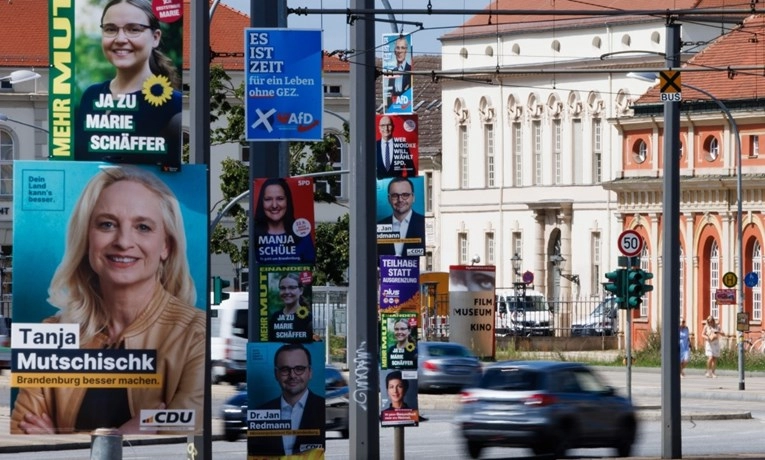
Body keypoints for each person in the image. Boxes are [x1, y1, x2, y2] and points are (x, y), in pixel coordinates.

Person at [11, 165, 205, 434]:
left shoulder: (196, 334)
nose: (124, 241)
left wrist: (58, 442)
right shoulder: (49, 335)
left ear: (166, 246)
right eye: (107, 224)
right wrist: (123, 434)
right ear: (87, 238)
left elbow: (180, 439)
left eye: (143, 227)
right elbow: (24, 441)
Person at [74, 0, 182, 167]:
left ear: (155, 38)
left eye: (133, 29)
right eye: (111, 29)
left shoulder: (173, 105)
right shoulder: (90, 96)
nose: (120, 39)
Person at [249, 343, 325, 456]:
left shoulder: (323, 408)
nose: (292, 375)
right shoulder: (259, 413)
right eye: (285, 369)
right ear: (276, 374)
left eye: (299, 369)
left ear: (310, 372)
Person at [254, 178, 316, 263]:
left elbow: (309, 270)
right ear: (262, 203)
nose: (274, 205)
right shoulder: (254, 235)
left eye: (280, 198)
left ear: (288, 201)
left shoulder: (302, 236)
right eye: (268, 199)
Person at [377, 177, 425, 257]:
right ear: (389, 199)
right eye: (395, 195)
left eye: (405, 195)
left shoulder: (423, 223)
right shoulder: (379, 225)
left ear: (413, 197)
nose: (400, 200)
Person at [269, 273, 313, 342]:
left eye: (291, 287)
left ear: (301, 291)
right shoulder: (275, 317)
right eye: (283, 288)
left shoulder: (308, 318)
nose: (286, 292)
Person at [384, 36, 412, 108]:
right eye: (397, 48)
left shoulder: (410, 70)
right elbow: (389, 94)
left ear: (406, 50)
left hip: (405, 106)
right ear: (395, 51)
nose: (400, 51)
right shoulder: (392, 72)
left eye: (402, 48)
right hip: (394, 107)